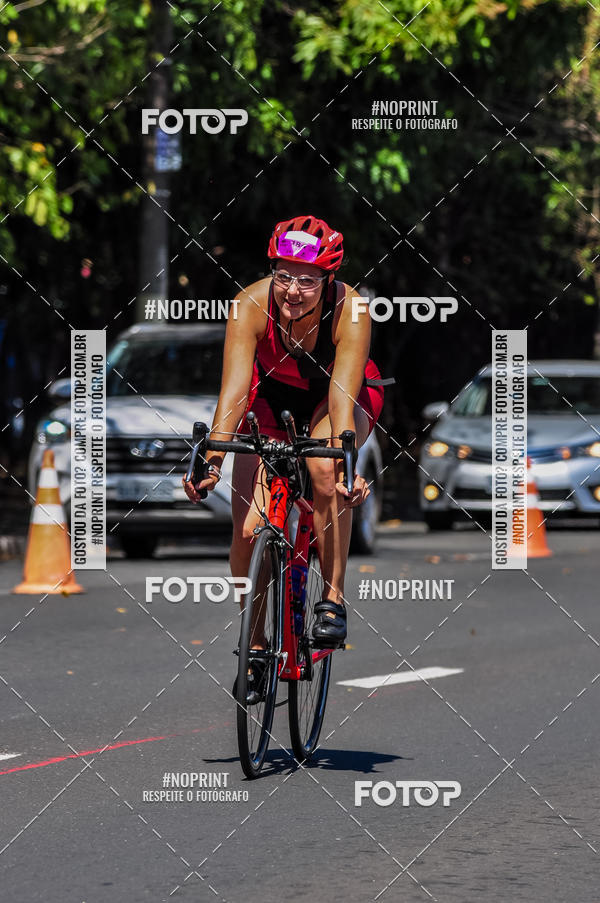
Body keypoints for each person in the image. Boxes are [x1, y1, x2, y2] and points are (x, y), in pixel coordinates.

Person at [183, 215, 385, 691]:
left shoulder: (351, 310)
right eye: (284, 276)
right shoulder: (249, 305)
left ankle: (332, 598)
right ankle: (254, 650)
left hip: (335, 395)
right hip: (270, 397)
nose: (293, 291)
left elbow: (340, 402)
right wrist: (211, 463)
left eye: (308, 280)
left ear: (328, 279)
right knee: (248, 530)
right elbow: (234, 393)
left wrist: (344, 465)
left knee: (323, 466)